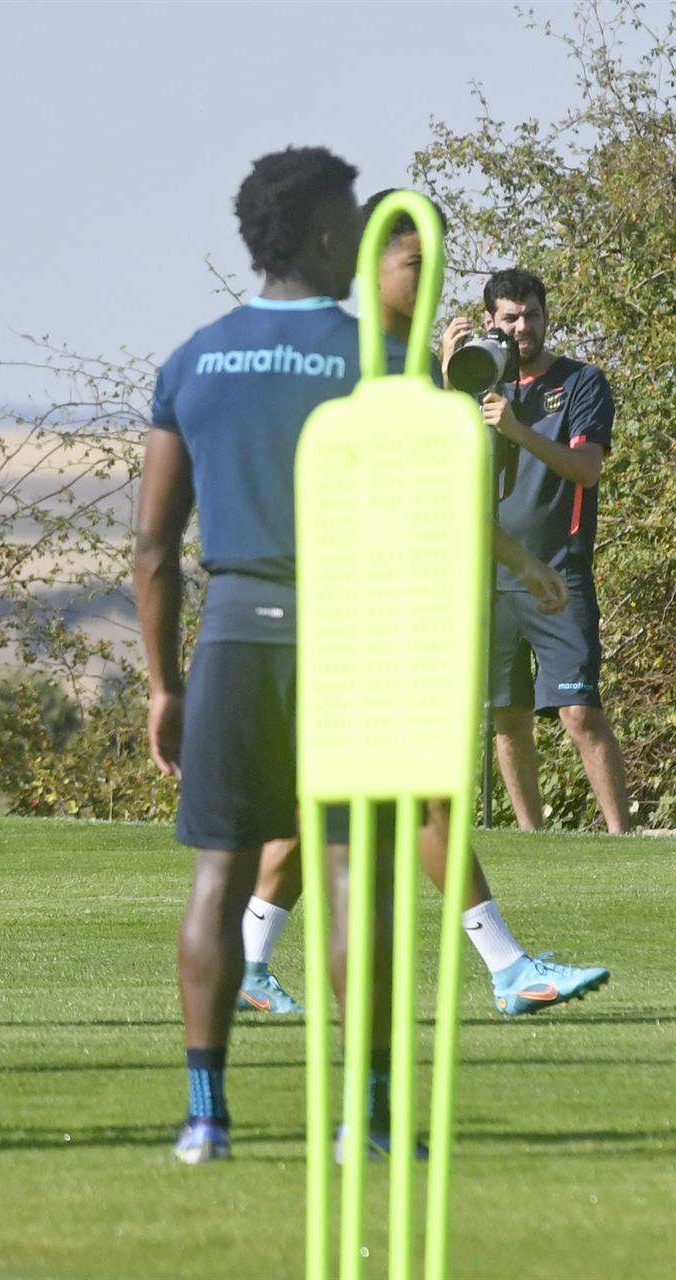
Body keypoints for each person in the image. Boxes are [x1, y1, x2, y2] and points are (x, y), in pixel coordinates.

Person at [235, 193, 609, 1022]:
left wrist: (517, 557)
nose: (430, 274)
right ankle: (509, 970)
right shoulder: (347, 357)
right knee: (416, 796)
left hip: (378, 606)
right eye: (415, 260)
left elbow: (444, 490)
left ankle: (244, 960)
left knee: (335, 800)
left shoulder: (417, 364)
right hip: (340, 611)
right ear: (374, 265)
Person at [138, 147, 416, 1165]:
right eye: (351, 221)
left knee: (219, 873)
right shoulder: (381, 357)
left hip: (234, 633)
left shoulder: (195, 357)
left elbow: (152, 547)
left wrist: (165, 682)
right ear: (322, 233)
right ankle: (366, 1120)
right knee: (351, 875)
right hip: (347, 633)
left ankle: (206, 1118)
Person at [457, 270, 632, 834]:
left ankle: (622, 840)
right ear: (490, 323)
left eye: (530, 313)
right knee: (506, 718)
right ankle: (534, 842)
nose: (521, 326)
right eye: (508, 317)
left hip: (560, 572)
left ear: (545, 315)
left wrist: (517, 430)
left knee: (579, 713)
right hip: (490, 576)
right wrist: (447, 373)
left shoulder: (581, 381)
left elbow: (586, 468)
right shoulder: (476, 384)